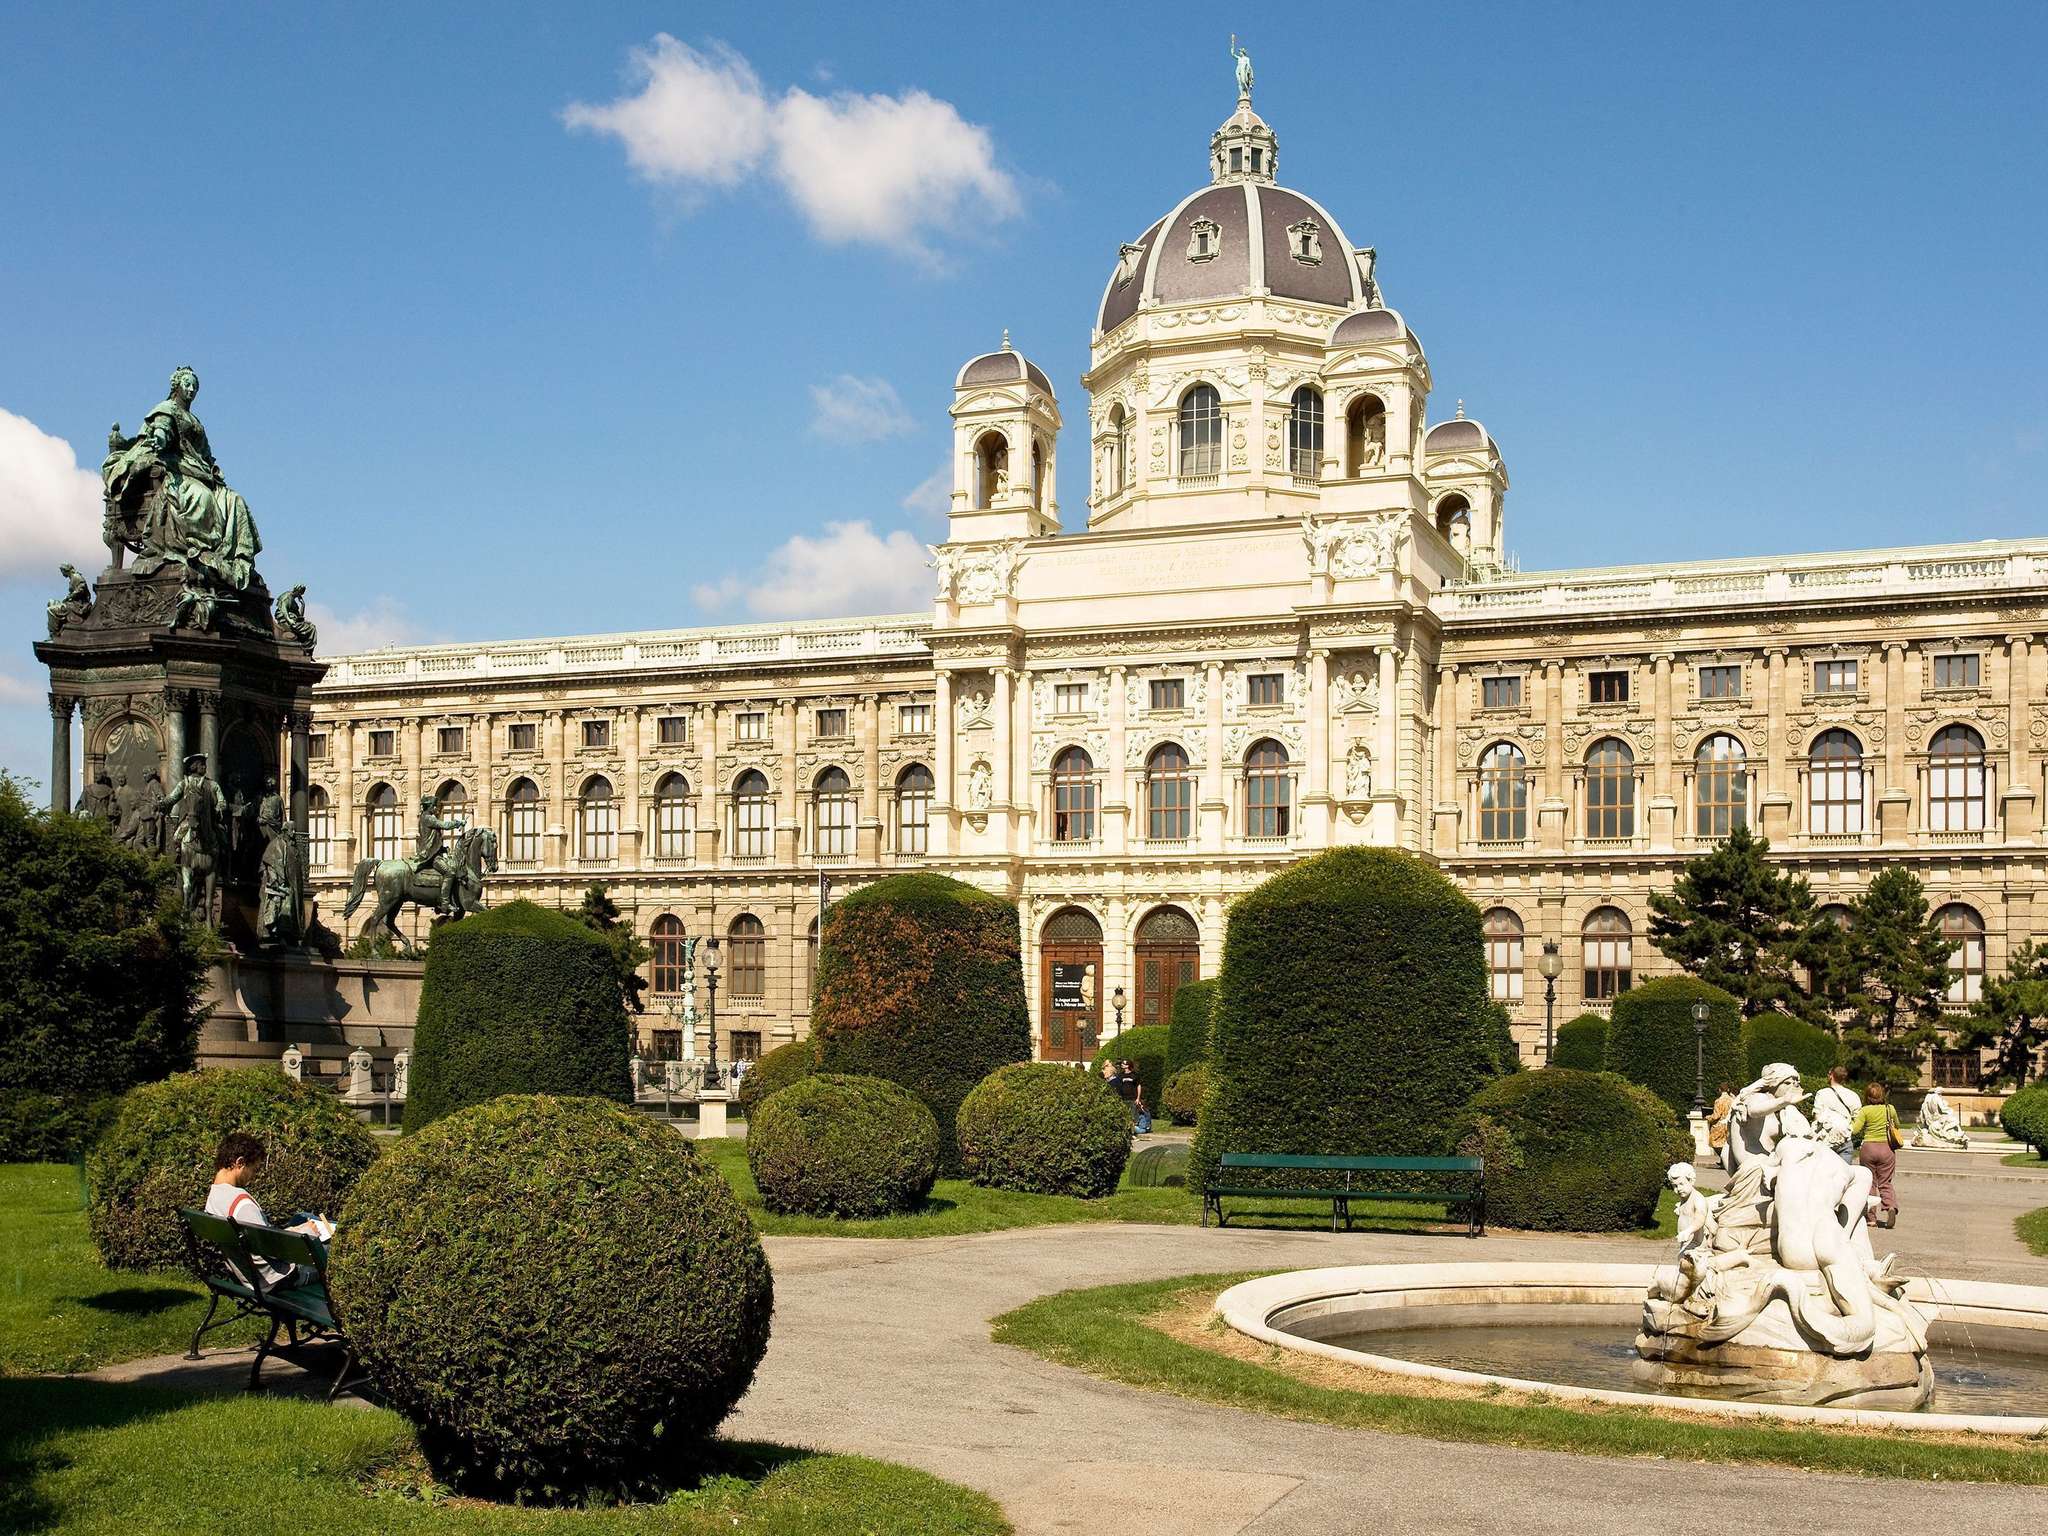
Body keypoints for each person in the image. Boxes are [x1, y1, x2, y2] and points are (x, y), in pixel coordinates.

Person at [204, 1132, 328, 1287]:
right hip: (277, 1279)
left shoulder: (213, 1197)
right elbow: (275, 1251)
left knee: (302, 1217)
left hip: (249, 1274)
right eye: (254, 1170)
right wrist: (306, 1233)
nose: (253, 1176)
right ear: (240, 1163)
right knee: (331, 1248)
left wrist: (295, 1229)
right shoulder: (242, 1204)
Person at [1850, 1082, 1902, 1229]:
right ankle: (1890, 1206)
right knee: (1885, 1182)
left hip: (1868, 1149)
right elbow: (1897, 1125)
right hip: (1886, 1149)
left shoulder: (1865, 1110)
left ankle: (1871, 1218)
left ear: (1867, 1096)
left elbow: (1855, 1130)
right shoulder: (1889, 1109)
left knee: (1870, 1183)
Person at [1812, 1066, 1861, 1165]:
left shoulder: (1822, 1093)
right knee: (1843, 1175)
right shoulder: (1853, 1095)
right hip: (1845, 1138)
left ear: (1831, 1076)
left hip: (1825, 1139)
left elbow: (1817, 1115)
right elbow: (1857, 1118)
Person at [1706, 1081, 1735, 1154]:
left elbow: (1716, 1115)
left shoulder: (1718, 1101)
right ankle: (1723, 1160)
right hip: (1730, 1124)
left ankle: (1722, 1159)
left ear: (1720, 1089)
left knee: (1715, 1143)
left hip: (1720, 1126)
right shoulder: (1732, 1100)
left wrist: (1708, 1117)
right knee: (1727, 1144)